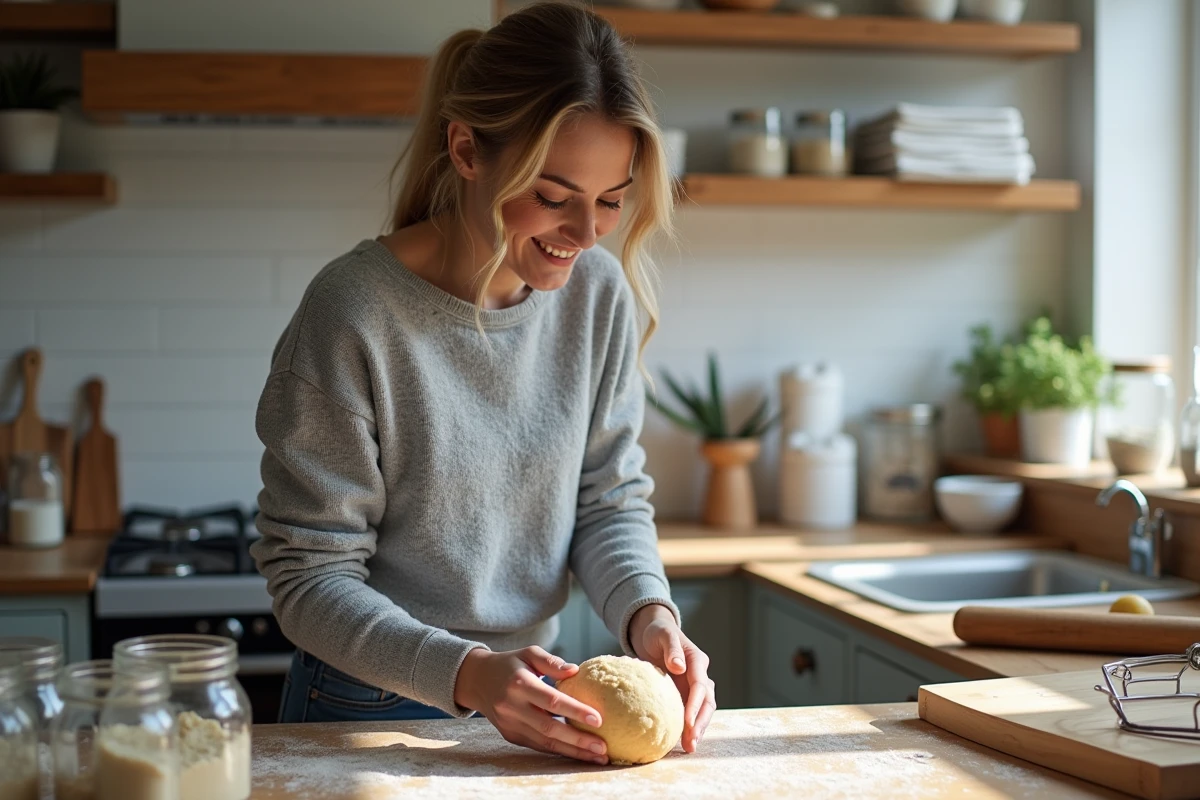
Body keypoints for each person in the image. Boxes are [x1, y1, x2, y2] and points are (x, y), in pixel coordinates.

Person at [250, 1, 714, 766]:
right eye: (554, 196)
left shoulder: (596, 295)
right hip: (366, 706)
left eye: (610, 200)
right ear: (466, 149)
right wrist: (467, 674)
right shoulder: (355, 311)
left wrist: (648, 614)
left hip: (539, 699)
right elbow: (308, 577)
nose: (586, 234)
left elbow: (606, 501)